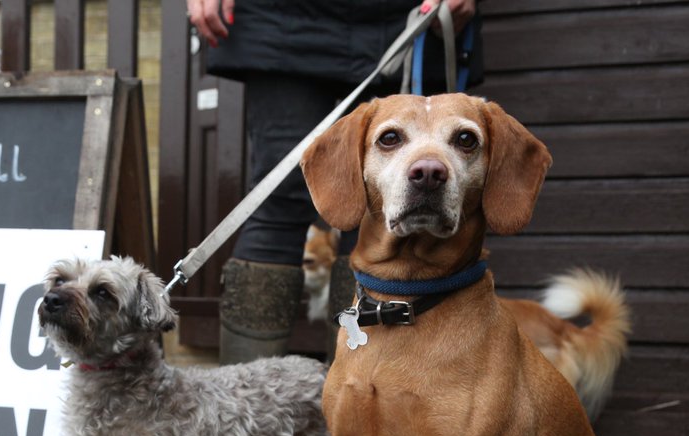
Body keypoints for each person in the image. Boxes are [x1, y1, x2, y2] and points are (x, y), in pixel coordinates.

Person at [186, 0, 483, 364]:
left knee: (383, 203)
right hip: (280, 18)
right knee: (279, 197)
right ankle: (242, 403)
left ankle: (357, 389)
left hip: (408, 15)